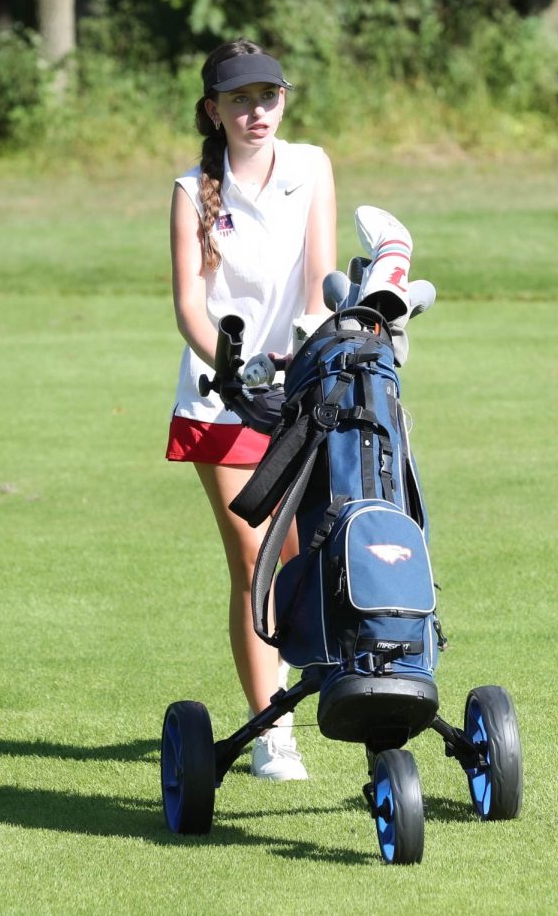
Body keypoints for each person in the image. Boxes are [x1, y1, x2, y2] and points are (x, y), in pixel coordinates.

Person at [165, 39, 338, 781]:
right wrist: (233, 371)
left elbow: (319, 276)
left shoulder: (311, 167)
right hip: (219, 400)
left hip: (296, 392)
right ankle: (273, 728)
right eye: (239, 99)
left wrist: (301, 357)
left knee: (298, 552)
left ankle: (301, 687)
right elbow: (190, 306)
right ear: (214, 110)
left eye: (267, 96)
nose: (255, 111)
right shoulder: (191, 188)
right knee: (255, 560)